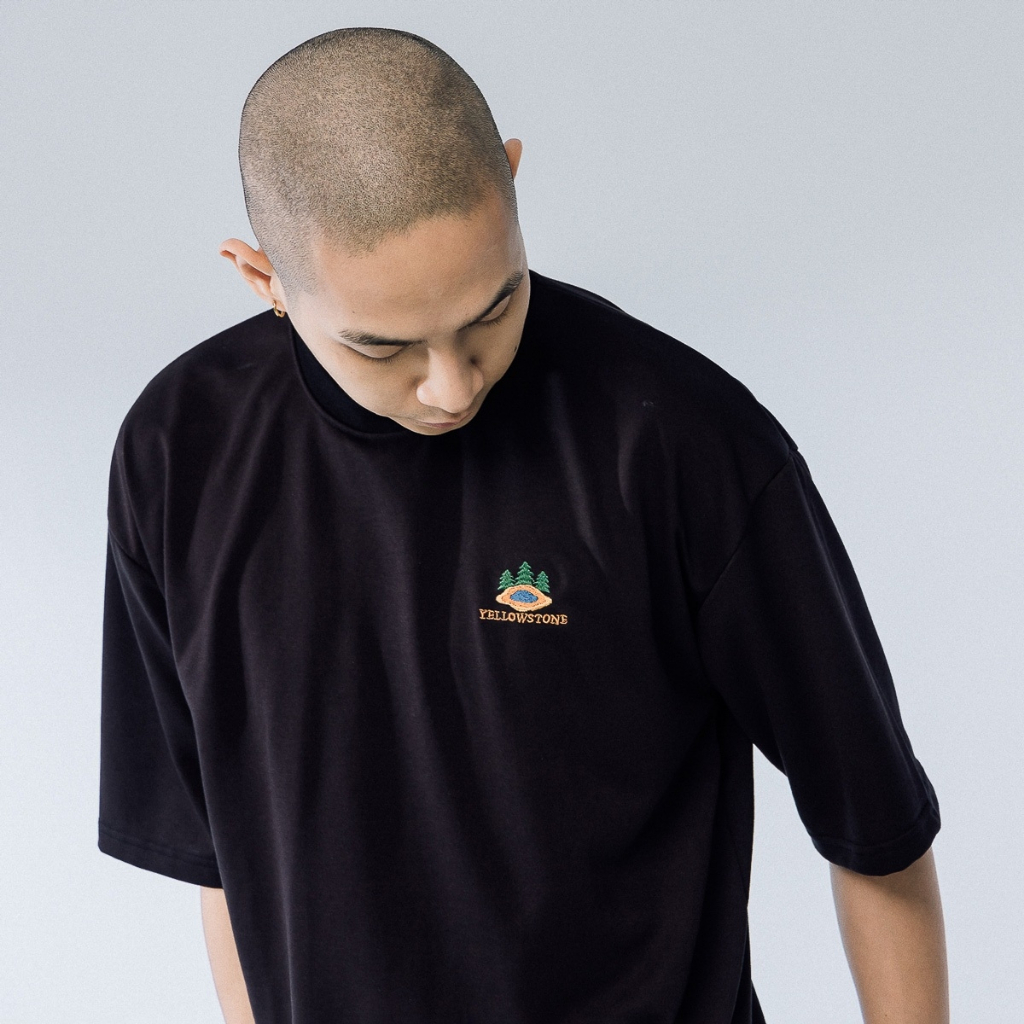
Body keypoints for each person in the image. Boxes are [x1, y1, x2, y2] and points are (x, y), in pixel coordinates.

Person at [97, 26, 947, 1024]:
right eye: (384, 347)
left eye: (492, 310)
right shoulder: (177, 454)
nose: (452, 387)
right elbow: (222, 855)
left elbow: (875, 828)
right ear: (263, 280)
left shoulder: (682, 441)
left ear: (509, 176)